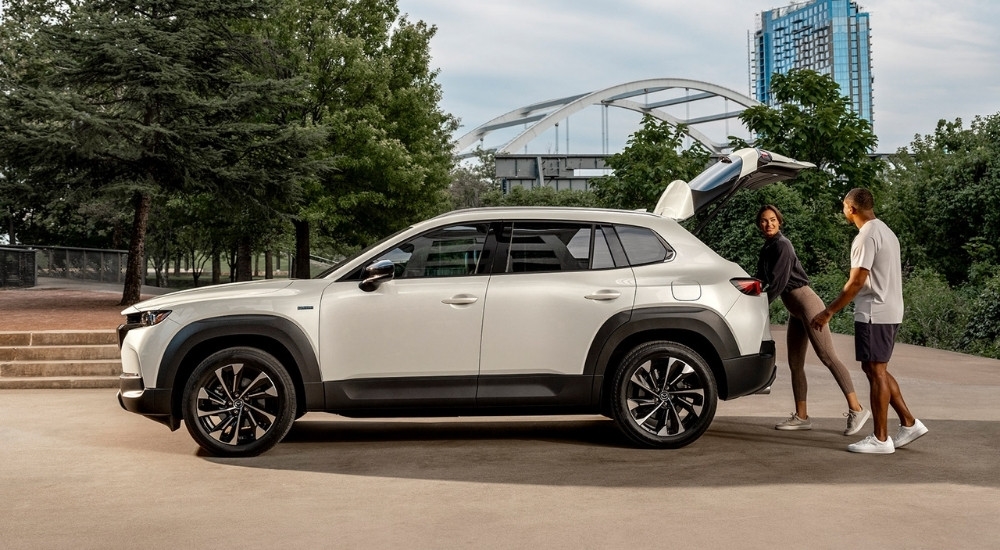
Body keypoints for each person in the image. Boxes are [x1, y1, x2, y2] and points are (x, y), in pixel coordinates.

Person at [811, 188, 928, 454]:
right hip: (888, 310)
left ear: (851, 208)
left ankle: (880, 438)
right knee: (877, 370)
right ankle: (909, 423)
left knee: (876, 372)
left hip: (876, 312)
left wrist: (828, 311)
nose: (843, 210)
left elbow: (856, 282)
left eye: (843, 206)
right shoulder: (886, 231)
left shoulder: (866, 236)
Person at [755, 205, 871, 436]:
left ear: (779, 221)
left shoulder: (782, 245)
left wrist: (758, 306)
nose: (769, 224)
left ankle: (857, 409)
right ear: (759, 225)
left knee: (828, 356)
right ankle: (802, 416)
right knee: (795, 363)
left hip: (808, 304)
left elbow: (778, 282)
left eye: (772, 220)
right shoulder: (767, 248)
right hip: (795, 310)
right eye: (764, 221)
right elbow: (759, 277)